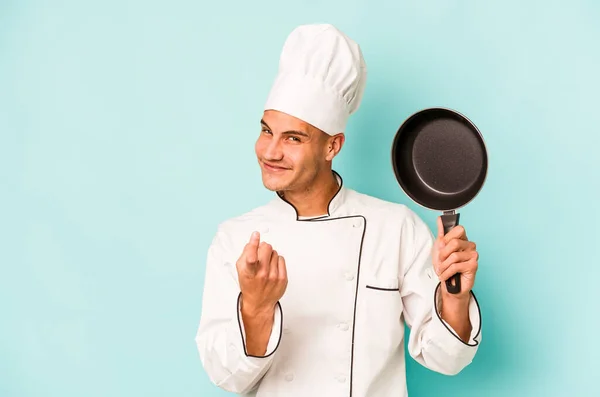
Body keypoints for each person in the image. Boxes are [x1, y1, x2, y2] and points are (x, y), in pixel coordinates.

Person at [195, 23, 482, 397]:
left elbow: (447, 359)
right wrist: (256, 307)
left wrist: (455, 297)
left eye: (293, 138)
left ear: (333, 146)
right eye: (266, 131)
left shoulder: (394, 229)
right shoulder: (235, 239)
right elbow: (226, 376)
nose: (270, 151)